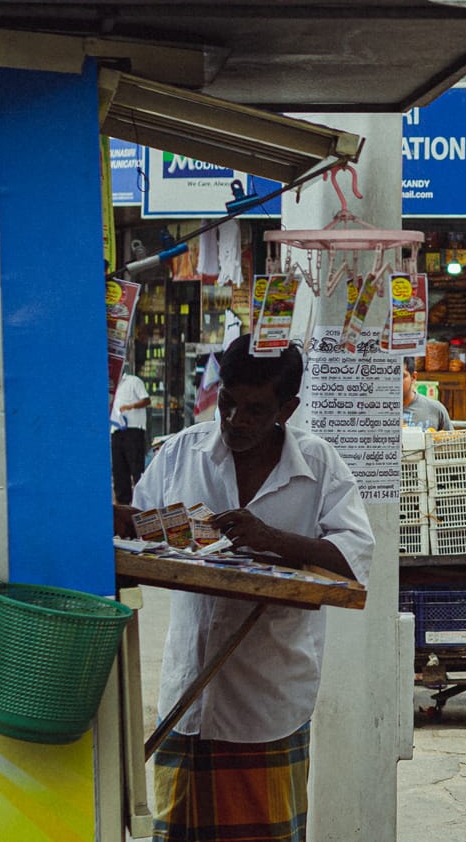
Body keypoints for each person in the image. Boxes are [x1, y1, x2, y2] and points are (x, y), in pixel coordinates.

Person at [119, 334, 375, 842]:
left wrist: (273, 539)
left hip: (269, 700)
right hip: (187, 697)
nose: (236, 420)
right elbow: (137, 531)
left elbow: (354, 559)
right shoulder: (181, 453)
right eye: (229, 403)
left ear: (289, 407)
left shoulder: (320, 467)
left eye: (256, 410)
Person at [110, 367, 151, 503]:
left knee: (136, 467)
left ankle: (142, 502)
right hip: (116, 429)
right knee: (119, 469)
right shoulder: (110, 386)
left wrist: (130, 406)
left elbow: (146, 400)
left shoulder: (133, 381)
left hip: (133, 430)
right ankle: (123, 501)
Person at [402, 361, 453, 430]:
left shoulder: (435, 409)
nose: (394, 381)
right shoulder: (382, 412)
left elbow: (451, 439)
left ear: (413, 377)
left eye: (401, 376)